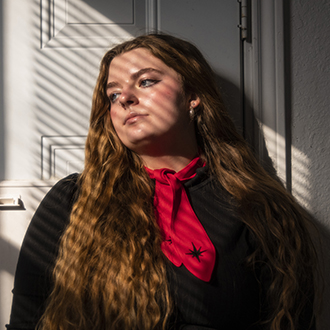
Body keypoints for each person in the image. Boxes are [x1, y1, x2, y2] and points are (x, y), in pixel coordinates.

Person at [7, 34, 317, 330]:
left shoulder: (260, 207)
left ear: (193, 96)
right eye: (113, 94)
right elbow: (27, 319)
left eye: (146, 81)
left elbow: (292, 320)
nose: (125, 97)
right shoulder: (72, 200)